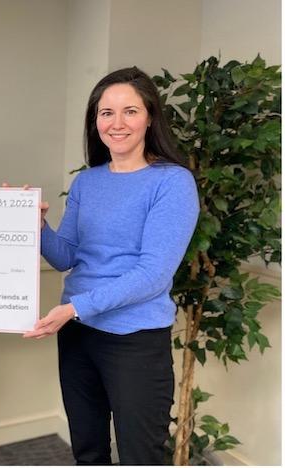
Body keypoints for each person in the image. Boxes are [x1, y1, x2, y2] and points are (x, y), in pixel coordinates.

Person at [23, 67, 199, 464]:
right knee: (88, 450)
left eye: (130, 111)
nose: (116, 123)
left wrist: (76, 306)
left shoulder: (172, 182)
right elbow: (67, 255)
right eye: (106, 113)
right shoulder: (89, 181)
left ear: (150, 117)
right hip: (78, 334)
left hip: (133, 340)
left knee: (141, 455)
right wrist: (36, 226)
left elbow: (153, 274)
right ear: (95, 121)